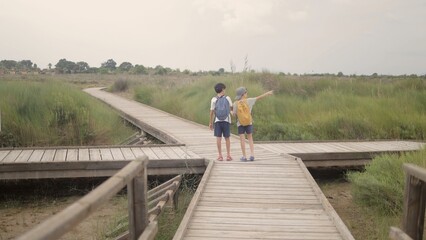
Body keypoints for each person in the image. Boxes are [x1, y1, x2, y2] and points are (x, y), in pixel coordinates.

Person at [233, 87, 273, 161]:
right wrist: (267, 93)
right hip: (249, 122)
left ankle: (244, 156)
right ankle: (252, 155)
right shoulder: (249, 100)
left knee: (242, 140)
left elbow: (234, 114)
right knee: (250, 138)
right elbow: (259, 97)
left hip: (240, 124)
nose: (247, 93)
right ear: (243, 94)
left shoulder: (235, 103)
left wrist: (231, 112)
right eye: (246, 92)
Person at [209, 83, 233, 161]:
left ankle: (220, 156)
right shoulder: (228, 98)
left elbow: (212, 112)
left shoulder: (214, 99)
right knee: (227, 138)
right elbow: (231, 108)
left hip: (217, 121)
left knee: (218, 138)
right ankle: (228, 155)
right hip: (226, 120)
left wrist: (210, 123)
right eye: (224, 89)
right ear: (222, 89)